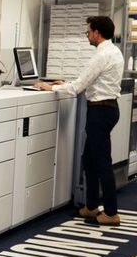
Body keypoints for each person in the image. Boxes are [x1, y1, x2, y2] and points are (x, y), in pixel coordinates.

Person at [35, 15, 125, 226]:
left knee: (102, 162)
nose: (87, 36)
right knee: (89, 160)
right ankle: (91, 207)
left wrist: (53, 87)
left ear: (97, 33)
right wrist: (66, 82)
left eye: (88, 32)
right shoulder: (113, 51)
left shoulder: (102, 55)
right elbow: (88, 80)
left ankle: (111, 213)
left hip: (100, 112)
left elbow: (78, 87)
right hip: (107, 109)